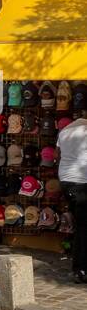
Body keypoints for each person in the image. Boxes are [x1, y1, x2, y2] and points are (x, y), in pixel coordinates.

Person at [58, 115, 87, 283]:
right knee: (84, 227)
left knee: (80, 227)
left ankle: (79, 268)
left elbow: (58, 154)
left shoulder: (65, 131)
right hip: (83, 180)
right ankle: (81, 269)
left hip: (67, 180)